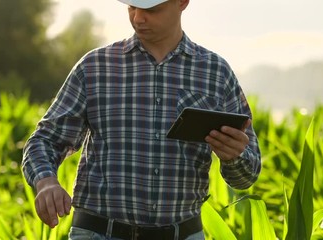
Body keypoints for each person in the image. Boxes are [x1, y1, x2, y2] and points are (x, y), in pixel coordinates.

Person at [22, 0, 261, 239]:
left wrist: (234, 156)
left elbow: (247, 176)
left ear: (182, 2)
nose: (137, 18)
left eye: (150, 10)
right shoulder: (95, 67)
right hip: (99, 233)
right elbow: (44, 141)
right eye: (131, 7)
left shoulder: (215, 73)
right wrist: (46, 183)